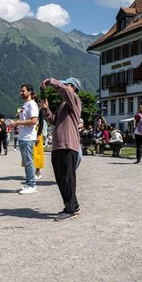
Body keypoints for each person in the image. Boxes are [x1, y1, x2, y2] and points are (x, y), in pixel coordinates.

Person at [40, 77, 82, 222]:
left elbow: (63, 91)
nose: (63, 86)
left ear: (73, 88)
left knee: (67, 178)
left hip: (68, 144)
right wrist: (46, 109)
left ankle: (70, 210)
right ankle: (72, 206)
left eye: (66, 84)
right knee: (61, 178)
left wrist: (52, 81)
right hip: (58, 145)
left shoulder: (74, 99)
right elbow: (53, 120)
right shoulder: (63, 105)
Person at [11, 84, 39, 194]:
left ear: (29, 92)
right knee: (26, 162)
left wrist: (18, 122)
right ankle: (28, 183)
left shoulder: (32, 104)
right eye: (21, 91)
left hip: (28, 138)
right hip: (23, 137)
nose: (21, 93)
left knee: (29, 162)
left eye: (23, 91)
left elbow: (34, 121)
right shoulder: (25, 105)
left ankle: (32, 184)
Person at [32, 93, 47, 180]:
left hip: (37, 131)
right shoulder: (30, 108)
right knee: (31, 152)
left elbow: (41, 123)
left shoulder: (40, 110)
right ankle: (32, 171)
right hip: (31, 131)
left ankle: (38, 171)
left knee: (37, 153)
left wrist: (38, 135)